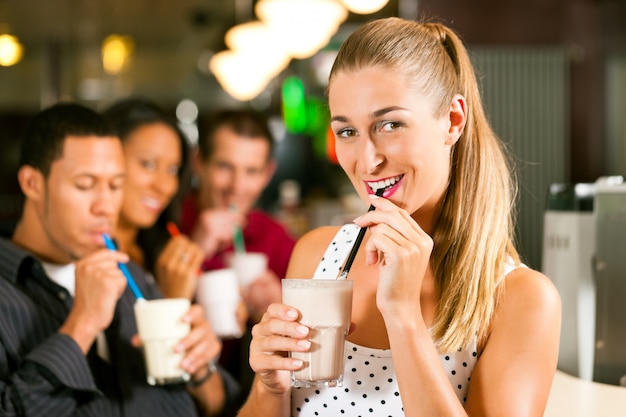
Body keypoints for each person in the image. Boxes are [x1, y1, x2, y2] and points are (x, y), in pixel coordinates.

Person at [237, 17, 562, 417]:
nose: (368, 161)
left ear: (453, 121)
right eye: (347, 132)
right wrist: (269, 388)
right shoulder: (318, 256)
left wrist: (403, 315)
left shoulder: (522, 299)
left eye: (390, 124)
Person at [0, 102, 229, 416]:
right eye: (85, 185)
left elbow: (223, 403)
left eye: (116, 185)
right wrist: (82, 324)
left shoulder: (132, 276)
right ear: (32, 184)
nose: (105, 206)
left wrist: (201, 367)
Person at [180, 108, 297, 400]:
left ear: (268, 173)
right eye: (224, 167)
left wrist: (282, 306)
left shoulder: (275, 237)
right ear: (199, 162)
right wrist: (195, 249)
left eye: (252, 171)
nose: (237, 186)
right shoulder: (170, 226)